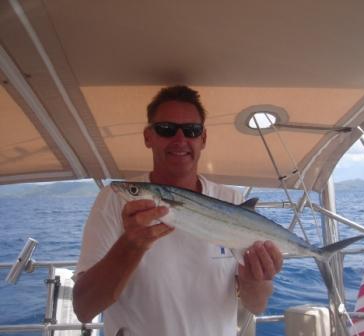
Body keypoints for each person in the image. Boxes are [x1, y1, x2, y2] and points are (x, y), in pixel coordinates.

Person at [73, 85, 283, 336]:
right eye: (166, 129)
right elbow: (84, 309)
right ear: (148, 136)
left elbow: (256, 305)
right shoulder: (113, 200)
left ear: (203, 138)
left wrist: (255, 278)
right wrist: (130, 245)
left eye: (192, 131)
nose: (180, 140)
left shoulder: (231, 199)